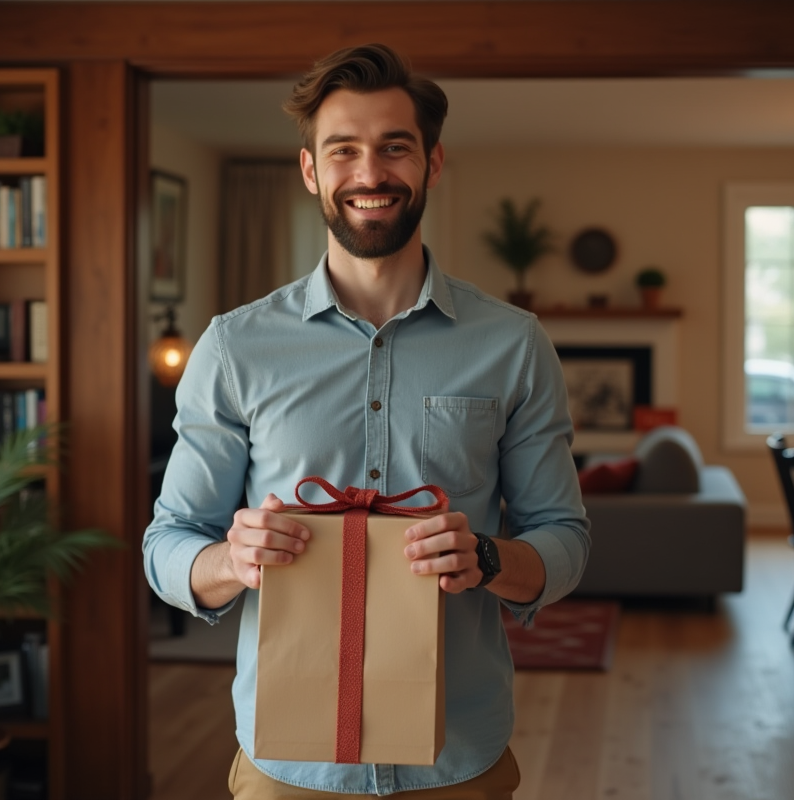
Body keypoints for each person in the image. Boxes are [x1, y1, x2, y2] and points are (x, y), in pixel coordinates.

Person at [143, 43, 590, 800]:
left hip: (459, 762)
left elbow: (565, 540)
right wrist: (230, 560)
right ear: (311, 170)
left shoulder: (514, 344)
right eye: (343, 150)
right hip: (290, 771)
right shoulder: (232, 347)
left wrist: (487, 557)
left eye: (395, 147)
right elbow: (167, 545)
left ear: (432, 163)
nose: (370, 173)